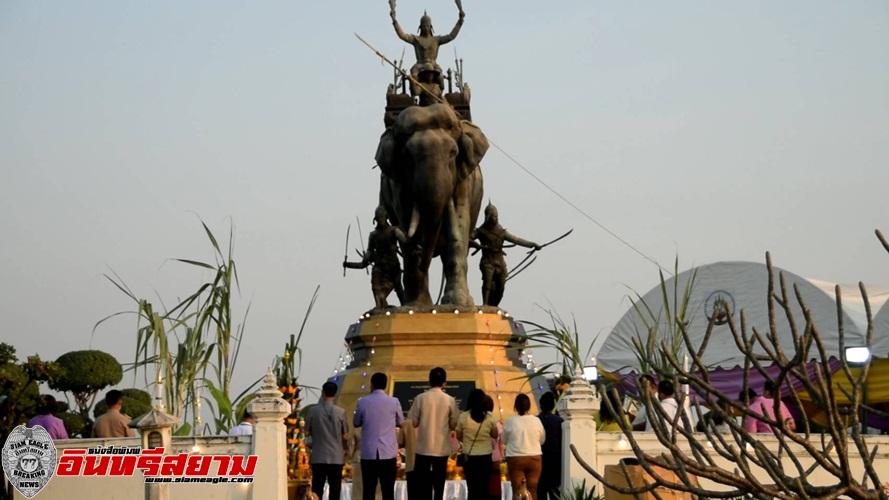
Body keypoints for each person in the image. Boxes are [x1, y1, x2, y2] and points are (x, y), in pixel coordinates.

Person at [469, 203, 541, 307]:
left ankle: (494, 306)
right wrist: (477, 246)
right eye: (493, 216)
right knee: (488, 282)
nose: (495, 218)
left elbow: (516, 240)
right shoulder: (481, 231)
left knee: (501, 287)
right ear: (488, 217)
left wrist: (532, 244)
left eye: (496, 216)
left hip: (500, 261)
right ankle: (485, 304)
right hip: (487, 261)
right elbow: (467, 239)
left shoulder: (502, 232)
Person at [390, 5, 465, 99]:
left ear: (431, 27)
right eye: (424, 26)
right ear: (420, 27)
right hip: (419, 65)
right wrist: (394, 21)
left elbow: (451, 36)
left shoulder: (436, 40)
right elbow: (402, 35)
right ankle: (413, 97)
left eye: (427, 26)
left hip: (433, 65)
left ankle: (438, 96)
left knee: (440, 76)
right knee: (413, 76)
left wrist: (460, 22)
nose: (426, 27)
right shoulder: (415, 39)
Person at [344, 206, 410, 310]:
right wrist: (349, 264)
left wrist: (410, 238)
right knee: (377, 292)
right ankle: (381, 308)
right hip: (379, 268)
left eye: (381, 217)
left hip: (392, 268)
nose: (380, 220)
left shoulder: (394, 231)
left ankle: (405, 308)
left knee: (398, 288)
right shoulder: (373, 235)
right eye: (378, 218)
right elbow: (367, 257)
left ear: (385, 217)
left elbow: (405, 241)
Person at [408, 367, 459, 500]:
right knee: (439, 486)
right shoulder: (450, 400)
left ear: (429, 382)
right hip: (441, 449)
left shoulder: (420, 398)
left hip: (423, 448)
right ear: (444, 383)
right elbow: (454, 424)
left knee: (423, 487)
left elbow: (413, 422)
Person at [353, 372, 404, 500]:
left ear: (372, 384)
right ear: (386, 385)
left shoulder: (363, 402)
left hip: (369, 452)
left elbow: (356, 422)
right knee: (388, 491)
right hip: (387, 452)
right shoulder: (394, 402)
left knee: (368, 490)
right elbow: (401, 422)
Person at [306, 382, 349, 500]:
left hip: (319, 455)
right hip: (336, 456)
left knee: (317, 489)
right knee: (335, 489)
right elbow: (345, 435)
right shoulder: (341, 412)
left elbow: (306, 432)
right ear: (336, 393)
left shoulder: (312, 411)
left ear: (322, 393)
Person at [456, 389, 499, 500]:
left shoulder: (463, 416)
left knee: (472, 489)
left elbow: (458, 436)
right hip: (485, 457)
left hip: (469, 458)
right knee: (484, 488)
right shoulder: (489, 416)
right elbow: (495, 435)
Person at [502, 393, 545, 500]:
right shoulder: (536, 421)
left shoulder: (510, 421)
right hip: (534, 458)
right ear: (529, 406)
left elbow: (503, 440)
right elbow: (542, 440)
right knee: (532, 489)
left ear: (515, 407)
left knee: (517, 491)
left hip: (515, 459)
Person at [536, 392, 562, 500]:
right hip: (555, 460)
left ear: (540, 405)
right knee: (554, 492)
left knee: (540, 491)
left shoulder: (536, 420)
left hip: (539, 458)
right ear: (553, 405)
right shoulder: (559, 421)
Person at [484, 395, 504, 500]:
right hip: (495, 459)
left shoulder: (480, 423)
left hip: (482, 458)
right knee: (494, 491)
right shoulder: (498, 424)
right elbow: (501, 442)